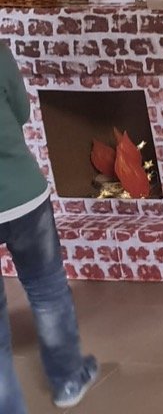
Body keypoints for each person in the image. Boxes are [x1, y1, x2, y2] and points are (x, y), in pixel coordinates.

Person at [0, 42, 98, 412]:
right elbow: (21, 113)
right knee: (47, 289)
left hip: (22, 198)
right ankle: (68, 381)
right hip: (23, 196)